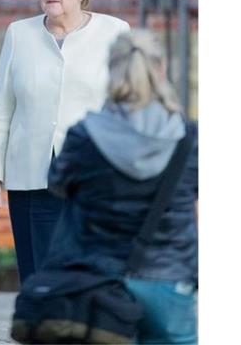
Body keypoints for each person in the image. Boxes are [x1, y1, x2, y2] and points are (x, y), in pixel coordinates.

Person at [0, 0, 130, 282]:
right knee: (36, 268)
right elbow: (0, 110)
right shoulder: (19, 34)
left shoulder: (115, 32)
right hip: (30, 173)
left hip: (90, 174)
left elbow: (125, 108)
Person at [42, 29, 197, 344]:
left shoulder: (85, 137)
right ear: (161, 69)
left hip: (99, 281)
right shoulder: (190, 139)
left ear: (111, 69)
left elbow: (57, 184)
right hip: (171, 279)